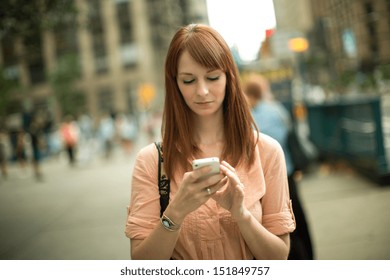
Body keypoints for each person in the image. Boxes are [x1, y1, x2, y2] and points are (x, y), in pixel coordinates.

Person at [125, 24, 296, 260]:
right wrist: (176, 212)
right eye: (188, 81)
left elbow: (279, 257)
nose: (202, 91)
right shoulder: (151, 161)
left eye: (213, 77)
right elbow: (142, 262)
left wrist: (241, 214)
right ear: (174, 84)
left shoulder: (266, 151)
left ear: (229, 78)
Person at [243, 73, 314, 260]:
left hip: (262, 180)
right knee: (296, 221)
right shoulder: (275, 110)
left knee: (276, 227)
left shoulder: (248, 115)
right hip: (287, 173)